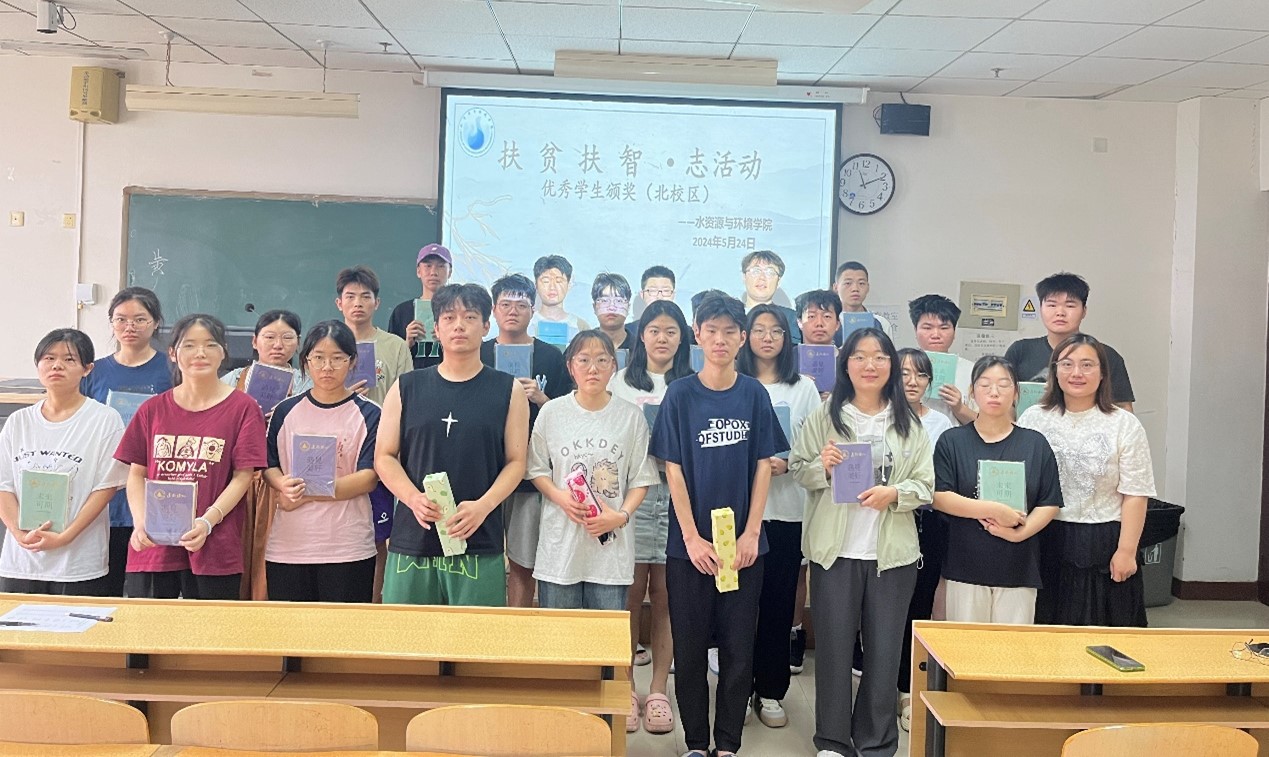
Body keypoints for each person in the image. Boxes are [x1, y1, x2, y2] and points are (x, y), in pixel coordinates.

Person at [649, 293, 787, 757]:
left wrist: (752, 533)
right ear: (698, 335)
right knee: (689, 649)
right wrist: (690, 537)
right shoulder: (680, 394)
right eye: (712, 331)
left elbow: (765, 465)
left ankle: (727, 743)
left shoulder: (754, 394)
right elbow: (673, 469)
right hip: (689, 548)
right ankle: (695, 742)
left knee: (737, 649)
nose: (721, 339)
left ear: (742, 337)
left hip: (744, 547)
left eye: (730, 331)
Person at [789, 328, 932, 757]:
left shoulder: (908, 422)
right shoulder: (825, 415)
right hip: (835, 553)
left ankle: (876, 741)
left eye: (879, 357)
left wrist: (896, 494)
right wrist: (823, 467)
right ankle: (833, 741)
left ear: (891, 365)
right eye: (860, 356)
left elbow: (926, 485)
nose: (870, 365)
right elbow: (798, 469)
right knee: (833, 651)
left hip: (892, 556)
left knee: (884, 653)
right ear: (846, 365)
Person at [375, 284, 529, 607]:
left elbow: (516, 462)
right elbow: (384, 457)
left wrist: (484, 506)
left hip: (479, 539)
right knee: (407, 635)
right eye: (449, 317)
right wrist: (412, 498)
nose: (459, 325)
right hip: (413, 540)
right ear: (436, 328)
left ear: (486, 327)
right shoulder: (406, 387)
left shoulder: (508, 390)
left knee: (476, 637)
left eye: (469, 317)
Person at [116, 314, 267, 600]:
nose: (200, 353)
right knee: (148, 627)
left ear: (223, 352)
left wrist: (208, 522)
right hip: (154, 547)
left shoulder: (244, 408)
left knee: (210, 627)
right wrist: (141, 521)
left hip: (214, 547)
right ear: (173, 353)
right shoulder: (152, 409)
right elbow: (137, 473)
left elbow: (243, 476)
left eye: (210, 345)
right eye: (189, 345)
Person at [1018, 334, 1156, 627]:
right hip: (1044, 537)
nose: (1076, 373)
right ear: (1055, 370)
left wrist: (1127, 551)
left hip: (1103, 543)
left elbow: (1136, 492)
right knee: (1047, 631)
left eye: (1087, 365)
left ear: (1103, 373)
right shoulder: (1033, 418)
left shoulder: (1124, 424)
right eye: (1067, 364)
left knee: (1104, 633)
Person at [609, 299, 694, 735]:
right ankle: (625, 688)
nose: (662, 338)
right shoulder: (621, 381)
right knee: (629, 593)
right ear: (641, 336)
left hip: (680, 498)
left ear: (683, 338)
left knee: (667, 594)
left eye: (671, 331)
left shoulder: (693, 382)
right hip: (634, 495)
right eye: (655, 330)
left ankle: (658, 689)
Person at [528, 330, 659, 611]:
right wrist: (560, 497)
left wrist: (621, 516)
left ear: (613, 366)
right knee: (560, 636)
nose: (593, 368)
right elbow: (536, 468)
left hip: (610, 553)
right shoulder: (552, 412)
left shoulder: (631, 416)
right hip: (560, 549)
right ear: (570, 366)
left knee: (605, 637)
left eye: (602, 360)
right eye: (584, 360)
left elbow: (641, 478)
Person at [736, 305, 821, 730]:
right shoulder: (732, 382)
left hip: (785, 511)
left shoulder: (803, 386)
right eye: (759, 329)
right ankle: (735, 690)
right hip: (735, 513)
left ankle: (770, 690)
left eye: (776, 331)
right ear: (745, 336)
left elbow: (813, 445)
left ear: (788, 339)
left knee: (777, 603)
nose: (767, 337)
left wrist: (789, 463)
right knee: (735, 607)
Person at [933, 356, 1063, 624]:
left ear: (1016, 393)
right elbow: (940, 497)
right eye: (985, 385)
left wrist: (1018, 534)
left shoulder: (1035, 443)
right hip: (965, 565)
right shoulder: (952, 441)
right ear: (972, 392)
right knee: (967, 645)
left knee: (1012, 647)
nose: (994, 392)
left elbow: (1049, 502)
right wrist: (993, 510)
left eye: (1004, 385)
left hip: (1019, 566)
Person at [0, 329, 127, 595]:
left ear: (87, 369)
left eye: (69, 359)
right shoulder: (18, 421)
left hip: (79, 562)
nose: (57, 365)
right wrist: (19, 534)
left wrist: (65, 537)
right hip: (21, 562)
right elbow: (4, 485)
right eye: (49, 358)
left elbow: (105, 488)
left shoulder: (105, 420)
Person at [263, 321, 381, 603]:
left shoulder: (370, 414)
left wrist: (304, 495)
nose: (327, 367)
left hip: (347, 548)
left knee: (342, 630)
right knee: (291, 630)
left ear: (353, 362)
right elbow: (269, 465)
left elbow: (368, 478)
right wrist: (282, 484)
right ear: (306, 361)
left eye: (338, 358)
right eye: (318, 358)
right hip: (289, 547)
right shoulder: (285, 411)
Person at [478, 274, 572, 608]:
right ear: (494, 310)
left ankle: (517, 628)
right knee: (482, 559)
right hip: (483, 472)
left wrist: (542, 399)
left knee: (522, 561)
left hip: (531, 476)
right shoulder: (478, 352)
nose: (513, 311)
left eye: (521, 305)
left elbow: (570, 417)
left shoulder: (552, 357)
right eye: (505, 304)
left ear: (533, 310)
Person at [80, 286, 172, 596]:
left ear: (155, 323)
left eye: (139, 319)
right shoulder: (93, 373)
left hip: (153, 490)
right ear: (111, 323)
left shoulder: (172, 371)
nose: (129, 326)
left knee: (147, 591)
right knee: (102, 588)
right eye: (121, 319)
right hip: (104, 491)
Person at [219, 309, 310, 599]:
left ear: (298, 342)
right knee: (234, 550)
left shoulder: (308, 383)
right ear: (254, 341)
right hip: (236, 479)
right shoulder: (232, 380)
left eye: (287, 338)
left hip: (282, 479)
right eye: (269, 337)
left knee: (272, 557)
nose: (278, 345)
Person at [334, 265, 413, 601]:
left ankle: (375, 601)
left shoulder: (395, 346)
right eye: (350, 296)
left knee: (380, 533)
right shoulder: (327, 341)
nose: (358, 303)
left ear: (377, 303)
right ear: (339, 303)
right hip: (338, 449)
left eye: (365, 297)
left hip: (381, 446)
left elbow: (408, 396)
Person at [894, 348, 955, 731]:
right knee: (885, 609)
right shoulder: (882, 417)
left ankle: (907, 689)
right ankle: (879, 686)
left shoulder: (941, 423)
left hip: (929, 522)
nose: (912, 382)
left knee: (919, 606)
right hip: (889, 519)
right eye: (904, 374)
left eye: (920, 375)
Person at [1005, 272, 1135, 410]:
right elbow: (1004, 401)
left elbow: (1123, 407)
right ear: (1040, 309)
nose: (1060, 312)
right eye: (1052, 305)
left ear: (1084, 311)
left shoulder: (1106, 355)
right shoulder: (1020, 351)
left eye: (1070, 305)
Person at [909, 294, 977, 425]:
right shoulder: (901, 367)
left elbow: (985, 424)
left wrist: (959, 408)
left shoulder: (972, 371)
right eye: (927, 328)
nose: (936, 335)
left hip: (955, 437)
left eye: (944, 328)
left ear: (954, 331)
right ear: (915, 330)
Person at [387, 244, 453, 371]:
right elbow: (390, 362)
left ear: (449, 272)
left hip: (450, 378)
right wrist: (407, 343)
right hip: (412, 379)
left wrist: (446, 342)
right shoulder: (402, 312)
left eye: (440, 266)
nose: (433, 272)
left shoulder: (457, 313)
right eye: (428, 266)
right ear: (418, 271)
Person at [738, 251, 801, 343]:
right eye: (756, 271)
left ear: (779, 281)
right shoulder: (731, 316)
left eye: (770, 272)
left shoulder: (792, 320)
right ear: (744, 277)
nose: (762, 277)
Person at [527, 255, 590, 341]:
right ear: (536, 285)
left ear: (569, 284)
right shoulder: (526, 324)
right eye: (546, 281)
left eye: (559, 281)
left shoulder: (580, 326)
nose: (552, 287)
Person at [833, 262, 893, 342]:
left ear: (868, 287)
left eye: (861, 283)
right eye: (848, 283)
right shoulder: (829, 322)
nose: (855, 289)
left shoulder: (881, 323)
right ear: (836, 288)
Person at [629, 264, 679, 331]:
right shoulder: (628, 332)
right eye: (653, 291)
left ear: (673, 295)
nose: (659, 297)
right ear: (642, 295)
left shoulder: (687, 332)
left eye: (666, 290)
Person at [592, 272, 633, 351]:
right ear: (594, 307)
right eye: (604, 300)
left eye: (619, 301)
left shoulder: (642, 348)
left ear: (628, 308)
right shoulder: (581, 346)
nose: (611, 307)